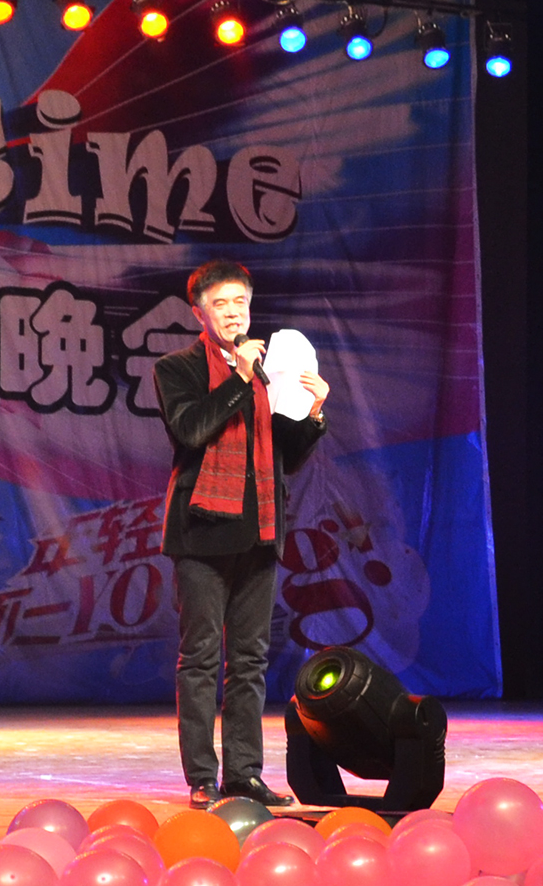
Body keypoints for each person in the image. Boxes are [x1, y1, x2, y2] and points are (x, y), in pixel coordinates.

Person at [153, 259, 329, 808]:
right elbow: (191, 429)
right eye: (221, 304)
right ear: (199, 313)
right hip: (201, 534)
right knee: (201, 658)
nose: (233, 313)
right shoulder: (177, 368)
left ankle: (244, 774)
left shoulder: (267, 370)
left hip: (259, 531)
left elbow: (285, 458)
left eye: (240, 303)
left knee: (250, 661)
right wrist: (241, 378)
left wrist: (314, 413)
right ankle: (202, 777)